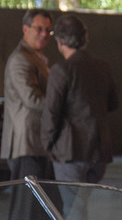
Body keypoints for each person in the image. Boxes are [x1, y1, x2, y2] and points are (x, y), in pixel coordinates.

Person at [43, 12, 117, 184]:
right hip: (99, 151)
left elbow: (51, 112)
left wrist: (47, 145)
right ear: (85, 38)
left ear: (60, 42)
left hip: (70, 151)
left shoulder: (61, 70)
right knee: (81, 205)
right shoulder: (102, 67)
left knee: (73, 207)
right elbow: (113, 104)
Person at [1, 8, 54, 181]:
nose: (44, 34)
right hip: (26, 145)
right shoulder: (21, 59)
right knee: (27, 204)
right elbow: (32, 99)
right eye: (39, 28)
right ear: (25, 29)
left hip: (35, 144)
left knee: (36, 204)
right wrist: (61, 106)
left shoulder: (36, 58)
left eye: (47, 30)